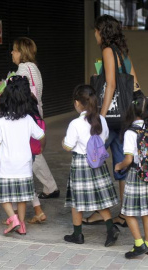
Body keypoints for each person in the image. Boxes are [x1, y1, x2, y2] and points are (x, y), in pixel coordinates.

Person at [0, 37, 59, 223]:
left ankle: (29, 211)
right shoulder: (35, 68)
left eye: (14, 50)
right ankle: (38, 205)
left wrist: (2, 89)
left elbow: (14, 94)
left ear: (21, 51)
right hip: (35, 116)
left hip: (20, 117)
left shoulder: (20, 71)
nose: (12, 53)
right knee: (32, 158)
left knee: (24, 165)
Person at [83, 14, 141, 226]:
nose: (95, 35)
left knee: (93, 159)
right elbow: (135, 85)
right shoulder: (123, 53)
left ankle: (101, 210)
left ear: (102, 32)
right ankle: (125, 214)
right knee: (121, 164)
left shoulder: (108, 51)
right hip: (125, 119)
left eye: (97, 31)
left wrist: (102, 116)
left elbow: (111, 85)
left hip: (112, 119)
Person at [62, 85, 119, 246]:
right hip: (98, 162)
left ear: (77, 103)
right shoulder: (101, 119)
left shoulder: (76, 123)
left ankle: (77, 234)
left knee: (77, 200)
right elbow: (105, 137)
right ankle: (111, 228)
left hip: (81, 163)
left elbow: (68, 145)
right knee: (100, 199)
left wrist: (64, 143)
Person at [0, 75, 46, 235]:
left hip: (7, 164)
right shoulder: (28, 119)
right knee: (22, 197)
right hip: (24, 164)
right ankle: (21, 224)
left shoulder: (1, 120)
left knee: (3, 196)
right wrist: (41, 147)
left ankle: (12, 218)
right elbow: (41, 135)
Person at [115, 94, 148, 259]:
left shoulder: (130, 132)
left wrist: (118, 166)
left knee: (127, 212)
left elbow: (128, 159)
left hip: (137, 174)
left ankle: (138, 244)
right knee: (146, 211)